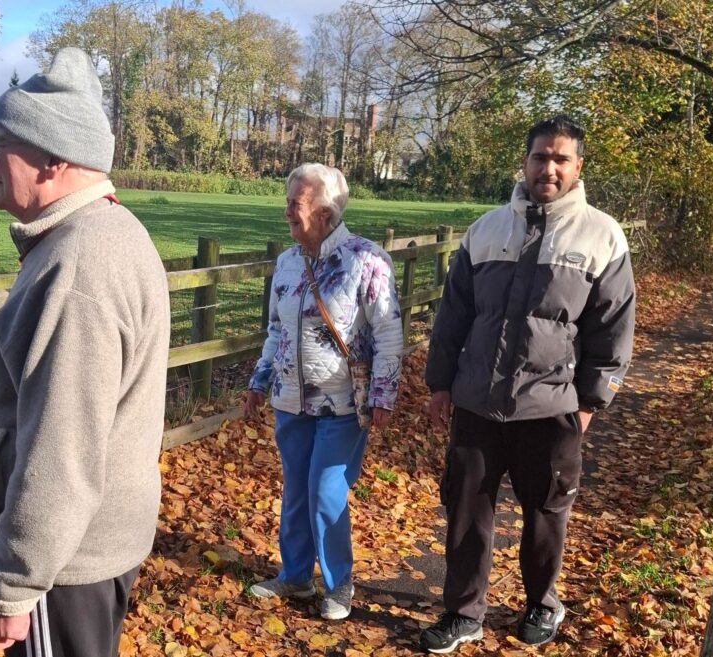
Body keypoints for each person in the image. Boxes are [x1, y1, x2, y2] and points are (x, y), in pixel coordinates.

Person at [0, 47, 170, 657]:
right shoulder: (96, 236)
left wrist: (14, 590)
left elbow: (61, 451)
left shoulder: (79, 266)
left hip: (60, 567)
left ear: (53, 158)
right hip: (69, 555)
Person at [420, 115, 635, 653]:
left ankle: (542, 602)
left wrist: (590, 403)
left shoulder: (601, 236)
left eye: (561, 159)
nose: (549, 168)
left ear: (578, 166)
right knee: (466, 511)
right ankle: (463, 612)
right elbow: (453, 315)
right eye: (540, 157)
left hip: (551, 407)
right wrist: (440, 383)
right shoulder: (486, 230)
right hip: (477, 402)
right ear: (525, 162)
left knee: (546, 512)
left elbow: (612, 328)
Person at [243, 163, 403, 621]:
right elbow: (276, 330)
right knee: (296, 490)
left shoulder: (366, 260)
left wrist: (383, 394)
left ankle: (338, 584)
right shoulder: (287, 262)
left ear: (325, 211)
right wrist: (259, 381)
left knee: (325, 491)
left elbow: (388, 333)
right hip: (290, 401)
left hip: (342, 404)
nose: (286, 211)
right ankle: (295, 576)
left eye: (295, 202)